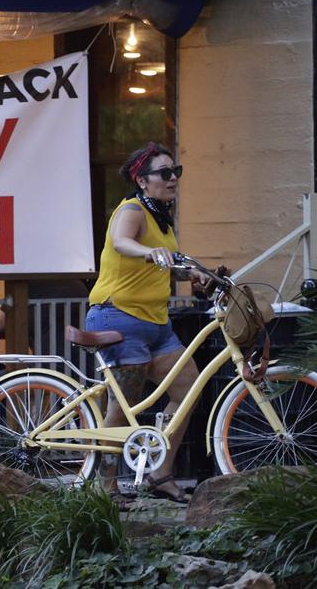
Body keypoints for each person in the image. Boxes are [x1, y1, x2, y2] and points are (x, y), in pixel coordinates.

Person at [86, 141, 207, 504]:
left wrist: (195, 274)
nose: (173, 179)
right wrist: (148, 251)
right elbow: (121, 242)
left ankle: (159, 473)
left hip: (156, 324)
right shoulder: (132, 210)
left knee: (188, 389)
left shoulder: (162, 220)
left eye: (176, 172)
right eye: (164, 173)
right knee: (122, 406)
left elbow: (163, 267)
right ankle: (105, 487)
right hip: (119, 318)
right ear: (142, 180)